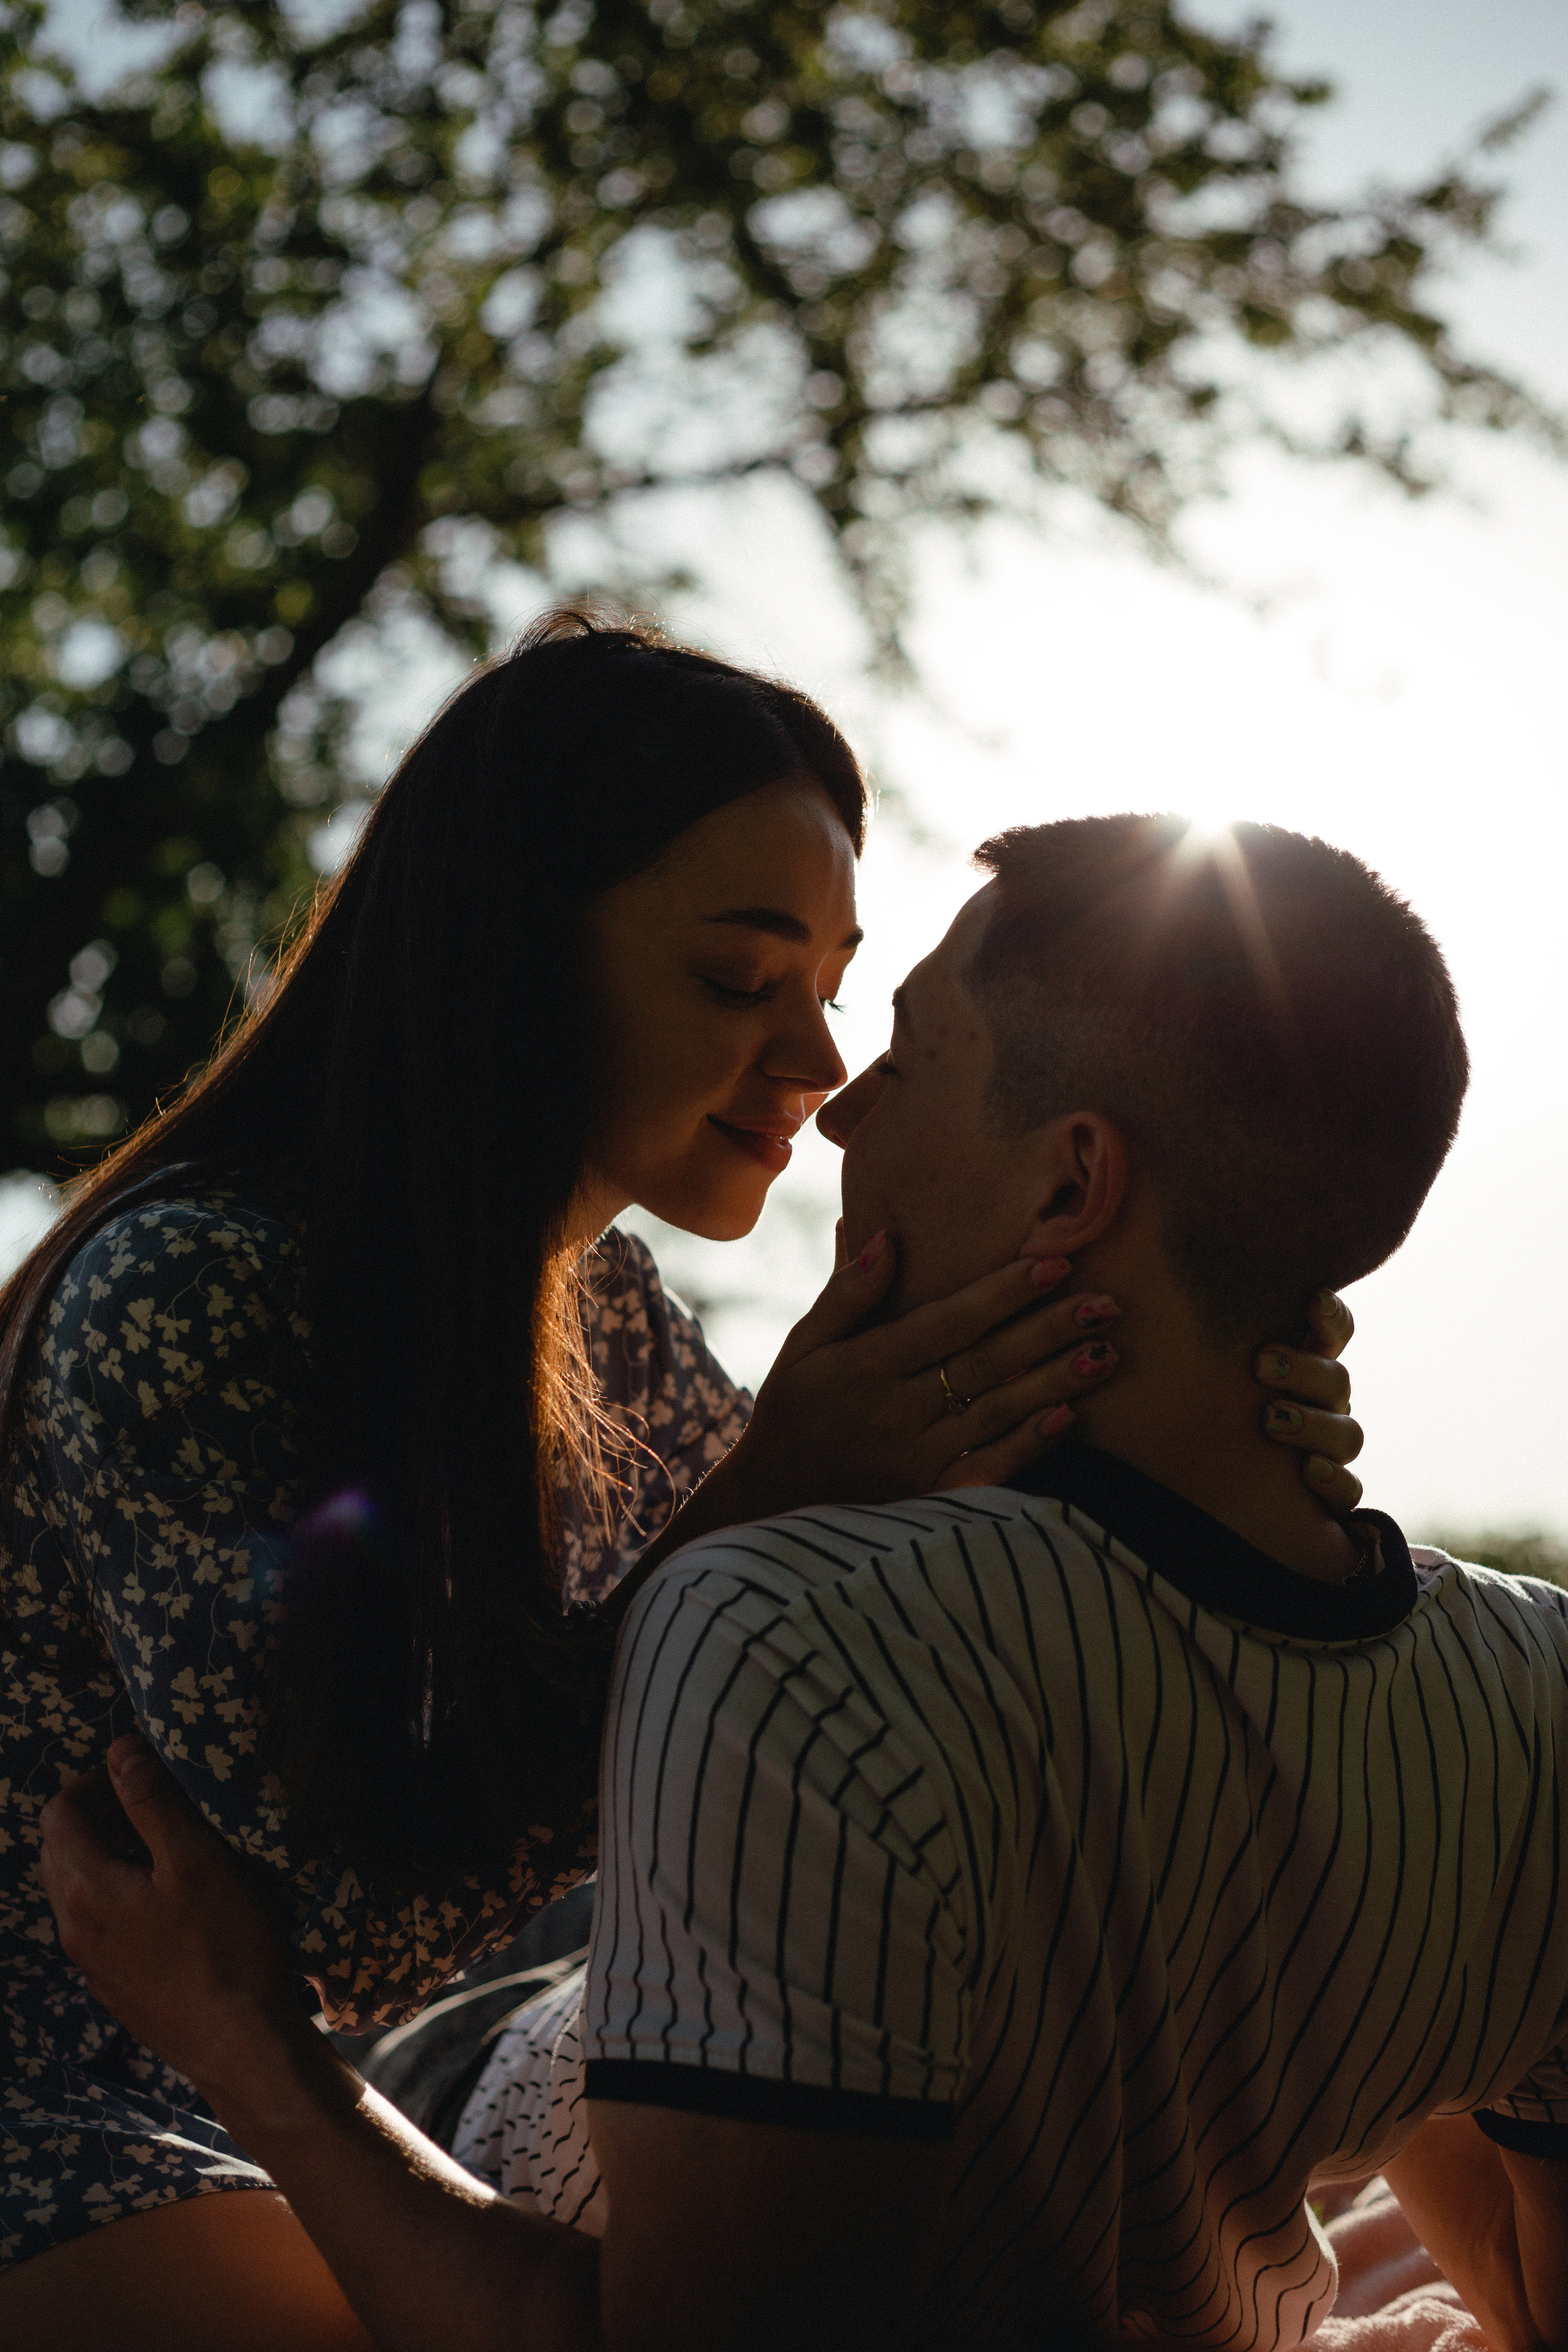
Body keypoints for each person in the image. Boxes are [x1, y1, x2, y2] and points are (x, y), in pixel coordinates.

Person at [18, 802, 1375, 2352]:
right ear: (512, 965)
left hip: (350, 2048)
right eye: (741, 982)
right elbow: (340, 1934)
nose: (822, 1068)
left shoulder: (599, 1303)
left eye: (837, 994)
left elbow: (842, 1598)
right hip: (88, 2077)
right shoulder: (194, 1288)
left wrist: (1207, 1428)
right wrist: (774, 1488)